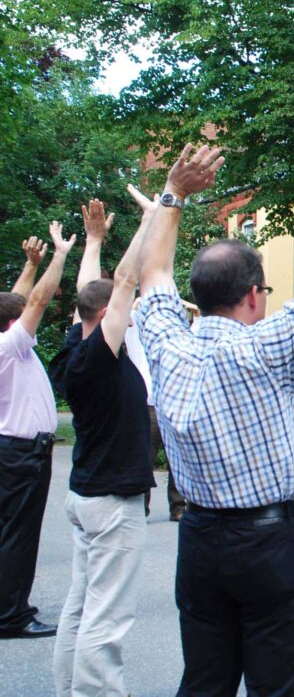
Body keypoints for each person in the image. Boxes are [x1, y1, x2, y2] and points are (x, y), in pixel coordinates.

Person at [136, 128, 294, 695]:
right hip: (269, 546)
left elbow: (152, 274)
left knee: (205, 682)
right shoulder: (269, 348)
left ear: (200, 294)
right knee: (278, 687)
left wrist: (173, 193)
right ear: (254, 296)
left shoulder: (168, 343)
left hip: (199, 542)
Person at [52, 192, 156, 696]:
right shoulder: (99, 355)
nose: (131, 308)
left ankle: (68, 688)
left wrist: (93, 242)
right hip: (112, 503)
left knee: (80, 605)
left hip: (85, 497)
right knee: (107, 617)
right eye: (124, 306)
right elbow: (121, 283)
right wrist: (152, 217)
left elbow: (88, 291)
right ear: (107, 315)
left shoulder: (75, 347)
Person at [0, 223, 75, 640]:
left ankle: (6, 606)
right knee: (19, 537)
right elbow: (37, 300)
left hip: (12, 450)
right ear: (14, 323)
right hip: (20, 454)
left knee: (9, 532)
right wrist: (59, 255)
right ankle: (11, 616)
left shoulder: (5, 340)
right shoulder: (10, 345)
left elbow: (17, 300)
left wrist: (30, 265)